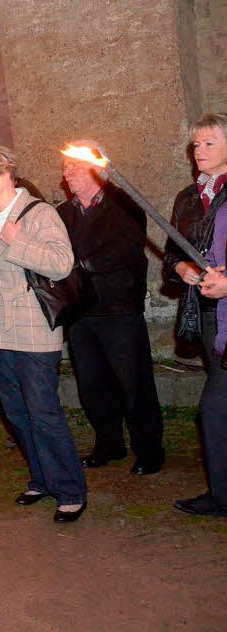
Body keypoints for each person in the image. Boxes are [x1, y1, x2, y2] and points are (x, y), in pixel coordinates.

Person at [0, 147, 86, 522]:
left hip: (32, 331)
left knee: (43, 412)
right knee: (16, 412)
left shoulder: (39, 214)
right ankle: (41, 478)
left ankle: (70, 489)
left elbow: (62, 263)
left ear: (6, 176)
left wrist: (17, 240)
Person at [58, 141, 164, 475]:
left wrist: (80, 264)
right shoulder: (62, 214)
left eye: (74, 167)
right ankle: (109, 445)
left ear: (94, 169)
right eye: (65, 168)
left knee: (134, 383)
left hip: (118, 310)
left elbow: (124, 248)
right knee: (92, 385)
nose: (67, 173)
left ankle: (149, 451)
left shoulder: (125, 205)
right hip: (80, 313)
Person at [166, 113, 227, 517]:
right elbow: (173, 251)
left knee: (215, 407)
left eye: (208, 143)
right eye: (195, 144)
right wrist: (181, 268)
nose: (198, 151)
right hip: (207, 314)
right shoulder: (187, 198)